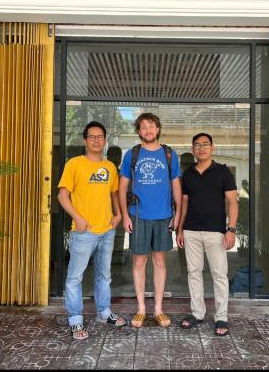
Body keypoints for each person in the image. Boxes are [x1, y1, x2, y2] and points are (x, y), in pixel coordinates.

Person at [57, 121, 126, 340]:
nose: (96, 140)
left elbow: (114, 193)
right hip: (83, 231)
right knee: (75, 278)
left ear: (105, 141)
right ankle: (75, 321)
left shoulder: (109, 167)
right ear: (85, 140)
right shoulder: (74, 164)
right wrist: (77, 218)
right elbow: (62, 195)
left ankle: (104, 313)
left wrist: (118, 214)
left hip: (107, 230)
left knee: (104, 275)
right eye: (92, 137)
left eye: (100, 137)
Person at [119, 112, 182, 328]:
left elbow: (176, 186)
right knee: (139, 262)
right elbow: (122, 187)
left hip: (164, 216)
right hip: (138, 216)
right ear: (138, 131)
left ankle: (158, 309)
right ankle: (141, 309)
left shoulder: (169, 154)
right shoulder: (132, 155)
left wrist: (177, 214)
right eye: (143, 127)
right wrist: (125, 214)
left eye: (151, 126)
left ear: (158, 129)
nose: (148, 130)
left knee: (160, 261)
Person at [176, 133, 238, 336]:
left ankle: (221, 317)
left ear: (212, 147)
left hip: (216, 232)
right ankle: (197, 312)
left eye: (205, 144)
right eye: (197, 145)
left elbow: (232, 202)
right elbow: (184, 203)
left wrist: (231, 229)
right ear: (193, 149)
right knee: (194, 273)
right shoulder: (188, 174)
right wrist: (180, 229)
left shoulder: (223, 172)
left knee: (219, 275)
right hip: (191, 230)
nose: (201, 148)